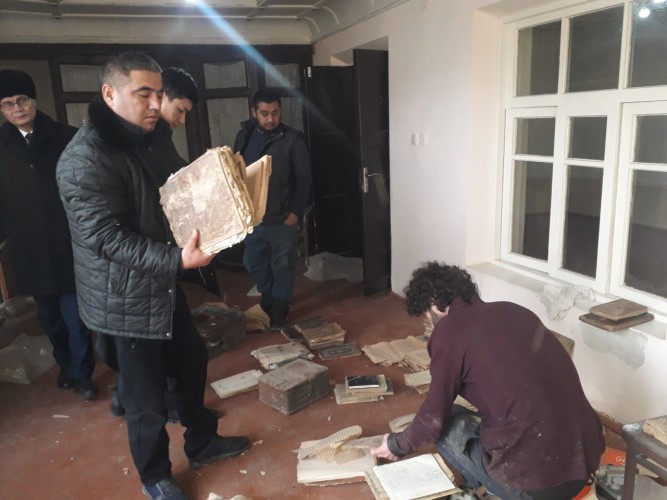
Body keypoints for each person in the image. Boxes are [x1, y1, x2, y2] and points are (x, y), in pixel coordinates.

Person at [56, 51, 249, 500]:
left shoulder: (151, 137)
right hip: (122, 297)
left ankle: (202, 444)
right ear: (109, 93)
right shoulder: (83, 159)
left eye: (159, 94)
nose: (155, 104)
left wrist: (222, 190)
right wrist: (178, 260)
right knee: (145, 399)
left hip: (159, 283)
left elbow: (176, 189)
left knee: (191, 363)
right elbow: (106, 239)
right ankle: (155, 477)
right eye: (143, 93)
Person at [371, 262, 605, 500]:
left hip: (536, 488)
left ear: (435, 305)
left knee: (449, 421)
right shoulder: (516, 311)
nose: (430, 325)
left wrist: (396, 445)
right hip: (585, 461)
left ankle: (487, 489)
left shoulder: (449, 331)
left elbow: (433, 419)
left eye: (426, 316)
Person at [0, 69, 97, 400]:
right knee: (50, 319)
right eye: (8, 104)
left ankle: (83, 375)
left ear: (34, 100)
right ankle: (66, 365)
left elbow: (87, 186)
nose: (17, 108)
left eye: (22, 100)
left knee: (76, 317)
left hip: (68, 242)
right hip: (30, 249)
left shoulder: (67, 137)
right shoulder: (1, 146)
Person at [233, 89, 312, 330]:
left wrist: (295, 213)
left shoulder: (293, 139)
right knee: (252, 261)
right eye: (264, 113)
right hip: (252, 218)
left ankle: (280, 307)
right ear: (254, 112)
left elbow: (304, 178)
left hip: (282, 217)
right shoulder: (244, 135)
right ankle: (268, 296)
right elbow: (237, 173)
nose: (270, 119)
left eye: (275, 113)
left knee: (283, 264)